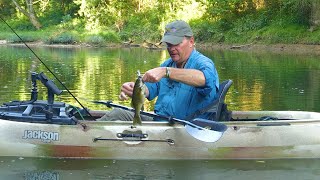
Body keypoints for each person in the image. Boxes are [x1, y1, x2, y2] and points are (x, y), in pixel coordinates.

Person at [97, 20, 219, 121]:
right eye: (169, 44)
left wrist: (167, 72)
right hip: (160, 122)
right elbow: (150, 90)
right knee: (117, 114)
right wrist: (135, 89)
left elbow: (204, 79)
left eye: (176, 43)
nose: (171, 48)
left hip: (186, 128)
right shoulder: (167, 63)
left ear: (191, 41)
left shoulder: (203, 63)